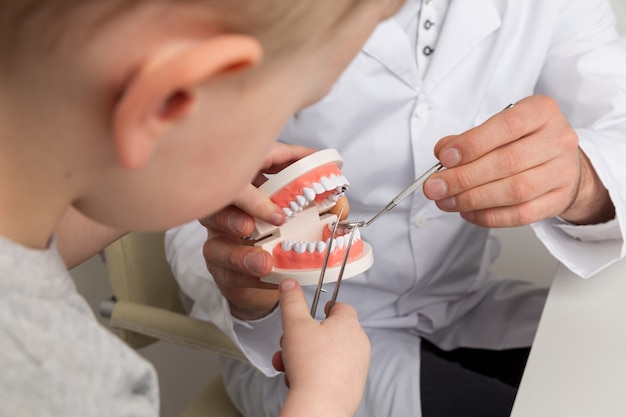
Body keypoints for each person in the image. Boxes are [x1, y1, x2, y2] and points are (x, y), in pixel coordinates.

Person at [164, 0, 626, 416]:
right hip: (303, 339)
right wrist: (250, 287)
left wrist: (584, 182)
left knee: (604, 383)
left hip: (466, 303)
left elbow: (617, 125)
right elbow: (187, 207)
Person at [0, 0, 414, 414]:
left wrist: (187, 158)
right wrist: (326, 399)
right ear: (169, 102)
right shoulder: (70, 387)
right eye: (286, 110)